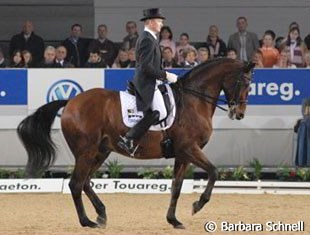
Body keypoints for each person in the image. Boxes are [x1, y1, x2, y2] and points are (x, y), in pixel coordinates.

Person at [118, 8, 178, 154]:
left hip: (152, 80)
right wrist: (166, 75)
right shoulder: (146, 39)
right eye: (159, 21)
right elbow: (145, 67)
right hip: (146, 82)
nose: (161, 24)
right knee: (160, 112)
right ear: (150, 22)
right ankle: (129, 138)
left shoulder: (150, 38)